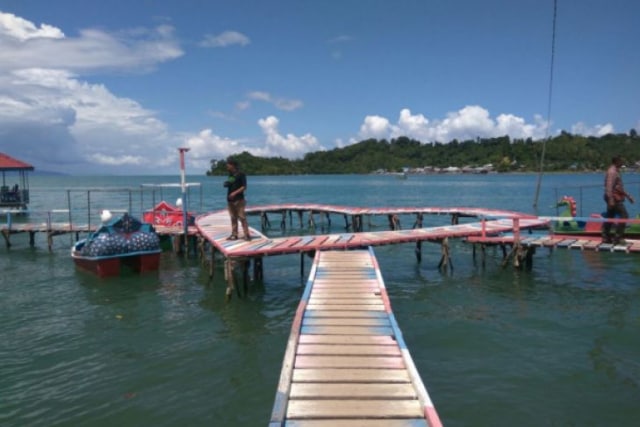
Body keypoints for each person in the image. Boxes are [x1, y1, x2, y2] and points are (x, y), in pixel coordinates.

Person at [602, 155, 635, 244]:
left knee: (610, 216)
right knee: (624, 216)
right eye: (621, 161)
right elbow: (609, 187)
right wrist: (611, 199)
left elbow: (619, 188)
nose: (622, 163)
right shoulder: (612, 172)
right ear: (617, 161)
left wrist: (628, 196)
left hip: (614, 197)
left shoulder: (615, 171)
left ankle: (606, 237)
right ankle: (617, 238)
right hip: (614, 198)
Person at [223, 157, 251, 241]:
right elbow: (231, 183)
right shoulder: (230, 174)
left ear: (232, 165)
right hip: (230, 200)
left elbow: (244, 187)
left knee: (242, 217)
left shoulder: (241, 174)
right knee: (233, 217)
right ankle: (234, 234)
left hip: (239, 199)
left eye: (228, 164)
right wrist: (226, 184)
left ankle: (247, 235)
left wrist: (234, 193)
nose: (227, 166)